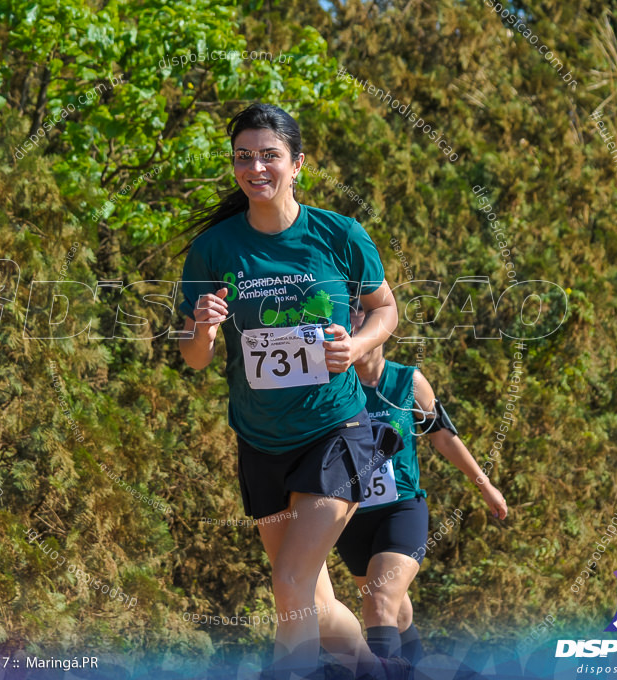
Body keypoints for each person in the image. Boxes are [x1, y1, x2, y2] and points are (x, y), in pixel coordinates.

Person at [178, 102, 406, 680]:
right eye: (244, 157)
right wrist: (202, 328)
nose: (256, 167)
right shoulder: (214, 248)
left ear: (297, 164)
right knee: (314, 604)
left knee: (289, 584)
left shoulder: (338, 234)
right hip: (261, 441)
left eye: (270, 156)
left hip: (337, 430)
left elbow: (386, 309)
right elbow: (196, 359)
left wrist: (355, 348)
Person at [335, 307, 508, 663]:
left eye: (362, 324)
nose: (356, 334)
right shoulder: (335, 387)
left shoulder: (409, 382)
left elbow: (443, 437)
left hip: (402, 510)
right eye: (349, 327)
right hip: (350, 516)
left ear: (380, 330)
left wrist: (484, 484)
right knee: (396, 613)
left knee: (379, 603)